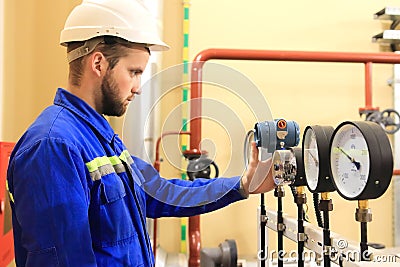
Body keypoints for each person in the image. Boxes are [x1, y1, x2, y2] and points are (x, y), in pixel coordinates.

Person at [6, 0, 275, 266]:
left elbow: (163, 192)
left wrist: (241, 185)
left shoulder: (100, 140)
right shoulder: (54, 147)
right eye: (134, 72)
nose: (138, 87)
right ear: (98, 64)